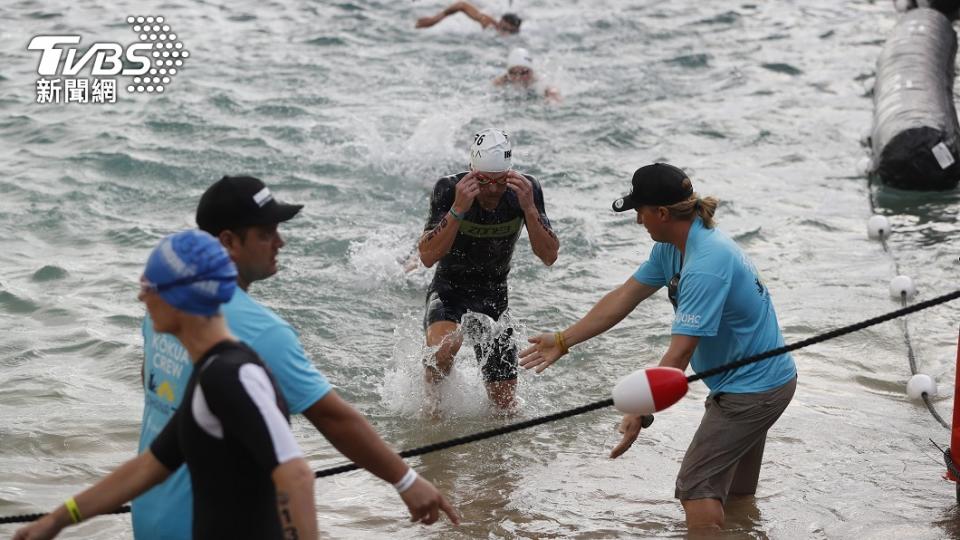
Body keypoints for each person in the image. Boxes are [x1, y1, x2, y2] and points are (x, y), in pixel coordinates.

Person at [133, 176, 458, 539]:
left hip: (150, 513)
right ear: (228, 242)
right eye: (266, 233)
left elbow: (154, 387)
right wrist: (406, 480)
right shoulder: (263, 333)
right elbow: (333, 418)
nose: (280, 241)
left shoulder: (163, 303)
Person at [519, 163, 797, 530]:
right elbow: (624, 296)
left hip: (753, 391)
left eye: (641, 211)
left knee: (696, 488)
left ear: (662, 213)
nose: (638, 221)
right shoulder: (676, 246)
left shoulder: (705, 265)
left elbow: (680, 354)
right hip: (761, 382)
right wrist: (562, 340)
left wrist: (641, 410)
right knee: (736, 495)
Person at [14, 230, 318, 540]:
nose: (141, 296)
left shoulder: (232, 376)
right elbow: (147, 468)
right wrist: (55, 521)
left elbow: (296, 476)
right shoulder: (210, 373)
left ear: (178, 296)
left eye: (148, 286)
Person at [418, 128, 559, 413]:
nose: (492, 189)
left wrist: (529, 208)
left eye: (500, 181)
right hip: (449, 291)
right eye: (483, 181)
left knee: (505, 406)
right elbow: (427, 257)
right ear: (471, 171)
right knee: (445, 347)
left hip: (493, 296)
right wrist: (458, 208)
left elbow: (549, 256)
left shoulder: (524, 191)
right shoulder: (449, 189)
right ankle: (431, 413)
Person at [493, 47, 561, 102]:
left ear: (531, 72)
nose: (518, 77)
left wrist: (552, 97)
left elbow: (553, 91)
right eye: (513, 72)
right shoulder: (503, 80)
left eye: (523, 72)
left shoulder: (539, 82)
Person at [415, 1, 522, 34]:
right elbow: (461, 5)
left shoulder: (519, 37)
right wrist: (434, 20)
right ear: (500, 22)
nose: (505, 33)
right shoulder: (488, 23)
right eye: (504, 29)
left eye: (509, 30)